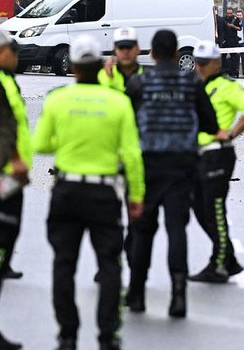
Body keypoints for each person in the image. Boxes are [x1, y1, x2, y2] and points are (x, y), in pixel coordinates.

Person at [33, 35, 145, 350]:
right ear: (100, 65)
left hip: (67, 190)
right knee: (109, 264)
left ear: (73, 68)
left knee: (63, 263)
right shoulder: (118, 102)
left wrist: (67, 143)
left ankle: (67, 334)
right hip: (104, 194)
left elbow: (41, 144)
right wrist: (136, 197)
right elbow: (132, 155)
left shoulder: (58, 100)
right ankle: (108, 335)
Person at [124, 30, 219, 318]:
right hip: (181, 166)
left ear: (151, 53)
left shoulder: (139, 83)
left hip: (147, 166)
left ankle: (137, 293)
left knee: (143, 231)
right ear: (177, 53)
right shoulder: (191, 83)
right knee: (176, 229)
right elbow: (210, 123)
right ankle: (178, 295)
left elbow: (126, 125)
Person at [188, 40, 244, 283]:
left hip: (218, 153)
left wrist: (231, 133)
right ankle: (227, 257)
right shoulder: (194, 85)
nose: (200, 68)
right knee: (199, 208)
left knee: (214, 209)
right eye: (197, 63)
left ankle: (219, 264)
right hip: (197, 155)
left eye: (204, 64)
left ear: (217, 63)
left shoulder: (226, 87)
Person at [0, 30, 29, 350]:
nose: (16, 56)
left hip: (10, 174)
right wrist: (16, 159)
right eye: (12, 50)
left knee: (9, 232)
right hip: (5, 172)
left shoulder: (9, 79)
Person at [98, 27, 144, 92]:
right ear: (114, 51)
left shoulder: (149, 75)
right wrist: (110, 79)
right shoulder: (102, 75)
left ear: (138, 49)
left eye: (129, 47)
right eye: (121, 47)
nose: (125, 52)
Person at [223, 7, 242, 78]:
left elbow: (239, 28)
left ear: (232, 13)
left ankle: (234, 71)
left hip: (233, 40)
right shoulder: (223, 19)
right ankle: (224, 71)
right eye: (228, 13)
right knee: (223, 57)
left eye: (230, 13)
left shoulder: (236, 19)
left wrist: (233, 26)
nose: (229, 15)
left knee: (234, 57)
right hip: (225, 40)